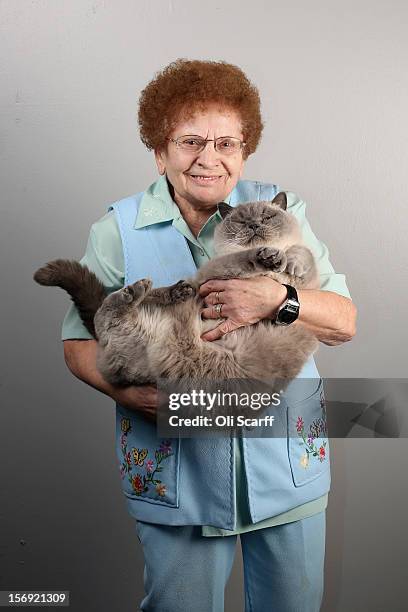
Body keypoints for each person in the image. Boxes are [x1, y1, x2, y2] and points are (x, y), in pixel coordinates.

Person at [62, 59, 356, 612]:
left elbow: (343, 321)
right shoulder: (116, 230)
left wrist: (277, 300)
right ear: (159, 150)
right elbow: (77, 344)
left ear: (244, 150)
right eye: (190, 140)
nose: (210, 157)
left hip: (284, 458)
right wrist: (128, 394)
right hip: (176, 470)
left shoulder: (278, 212)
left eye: (227, 142)